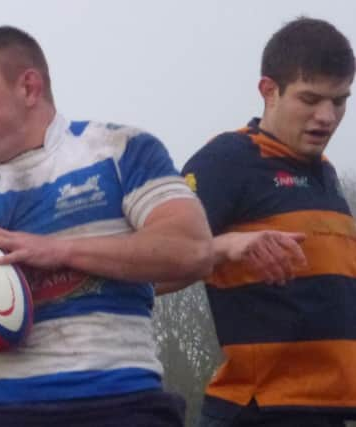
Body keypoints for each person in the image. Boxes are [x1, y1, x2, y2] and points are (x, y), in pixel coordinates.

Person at [0, 26, 213, 427]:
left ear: (28, 87)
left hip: (122, 403)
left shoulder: (120, 150)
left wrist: (60, 250)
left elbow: (193, 250)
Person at [164, 17, 355, 427]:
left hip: (330, 412)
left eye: (339, 100)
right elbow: (149, 268)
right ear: (268, 91)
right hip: (255, 411)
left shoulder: (326, 174)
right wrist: (222, 247)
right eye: (310, 99)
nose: (327, 116)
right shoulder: (227, 160)